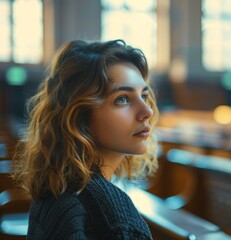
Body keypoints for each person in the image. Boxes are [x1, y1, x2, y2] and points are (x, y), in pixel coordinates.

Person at [11, 39, 159, 239]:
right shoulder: (117, 221)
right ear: (78, 116)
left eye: (144, 95)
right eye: (122, 99)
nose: (147, 111)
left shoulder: (57, 189)